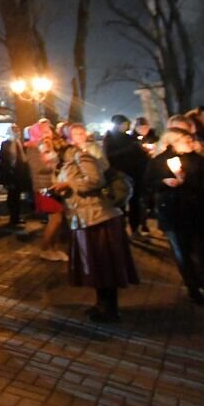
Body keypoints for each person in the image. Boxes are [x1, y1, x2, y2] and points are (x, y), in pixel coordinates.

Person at [54, 124, 139, 323]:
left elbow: (95, 180)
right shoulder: (66, 162)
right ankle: (102, 304)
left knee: (105, 263)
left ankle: (110, 308)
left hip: (98, 216)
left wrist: (69, 185)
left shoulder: (81, 156)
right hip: (84, 216)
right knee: (97, 265)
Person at [144, 128, 204, 306]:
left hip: (201, 213)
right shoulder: (159, 162)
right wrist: (164, 182)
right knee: (183, 253)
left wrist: (188, 181)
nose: (191, 143)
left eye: (191, 140)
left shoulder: (201, 161)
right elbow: (149, 183)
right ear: (173, 142)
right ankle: (193, 288)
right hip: (174, 213)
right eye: (186, 140)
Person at [103, 114, 150, 239]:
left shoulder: (129, 137)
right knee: (121, 203)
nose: (125, 126)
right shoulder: (109, 139)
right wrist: (130, 149)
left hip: (135, 173)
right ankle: (121, 231)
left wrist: (143, 151)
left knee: (135, 203)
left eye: (126, 124)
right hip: (120, 174)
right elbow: (110, 156)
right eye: (123, 124)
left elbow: (137, 154)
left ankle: (135, 229)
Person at [27, 121, 66, 262]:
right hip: (43, 187)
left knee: (58, 219)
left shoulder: (48, 146)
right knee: (56, 218)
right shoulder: (33, 147)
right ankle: (45, 249)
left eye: (48, 131)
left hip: (54, 185)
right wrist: (54, 166)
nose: (48, 134)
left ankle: (54, 249)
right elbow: (37, 168)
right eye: (44, 131)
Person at [0, 125, 31, 228]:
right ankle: (13, 218)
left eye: (18, 130)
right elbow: (4, 159)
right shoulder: (6, 144)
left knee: (17, 196)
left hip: (20, 173)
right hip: (11, 174)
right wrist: (9, 170)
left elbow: (23, 158)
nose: (18, 132)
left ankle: (16, 217)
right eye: (15, 131)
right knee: (12, 196)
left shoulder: (19, 143)